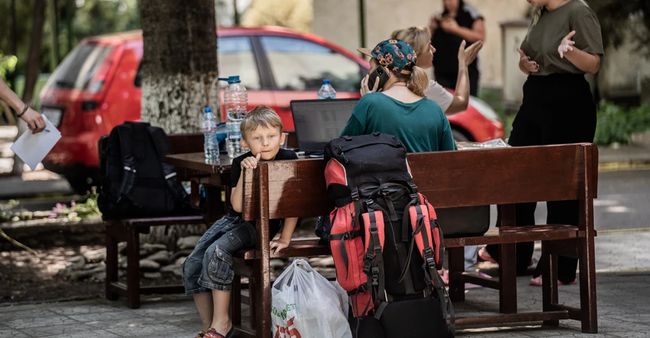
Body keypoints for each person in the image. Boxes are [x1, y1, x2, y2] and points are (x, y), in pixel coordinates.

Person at [479, 0, 603, 287]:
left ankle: (561, 267)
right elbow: (528, 53)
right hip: (535, 97)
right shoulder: (540, 13)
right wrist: (524, 64)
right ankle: (514, 253)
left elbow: (594, 63)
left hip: (568, 101)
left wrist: (570, 52)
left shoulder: (578, 11)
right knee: (516, 176)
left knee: (560, 187)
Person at [182, 106, 299, 338]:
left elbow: (293, 204)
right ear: (246, 143)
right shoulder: (241, 162)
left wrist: (285, 237)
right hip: (234, 220)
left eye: (271, 136)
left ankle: (222, 324)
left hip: (260, 225)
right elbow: (236, 207)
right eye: (257, 138)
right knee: (192, 262)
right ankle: (208, 329)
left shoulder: (289, 159)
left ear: (282, 137)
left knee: (216, 252)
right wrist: (247, 172)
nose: (265, 143)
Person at [342, 39, 455, 153]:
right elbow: (451, 156)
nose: (368, 74)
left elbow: (341, 148)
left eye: (371, 68)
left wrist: (367, 101)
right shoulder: (435, 109)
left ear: (383, 71)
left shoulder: (370, 103)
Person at [362, 26, 483, 115]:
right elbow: (460, 104)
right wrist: (463, 64)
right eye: (429, 46)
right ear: (416, 54)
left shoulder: (384, 82)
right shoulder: (425, 86)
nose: (434, 49)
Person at [430, 0, 485, 96]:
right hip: (442, 73)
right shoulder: (440, 16)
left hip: (465, 72)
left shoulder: (470, 13)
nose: (448, 3)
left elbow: (480, 37)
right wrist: (432, 28)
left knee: (466, 106)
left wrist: (455, 29)